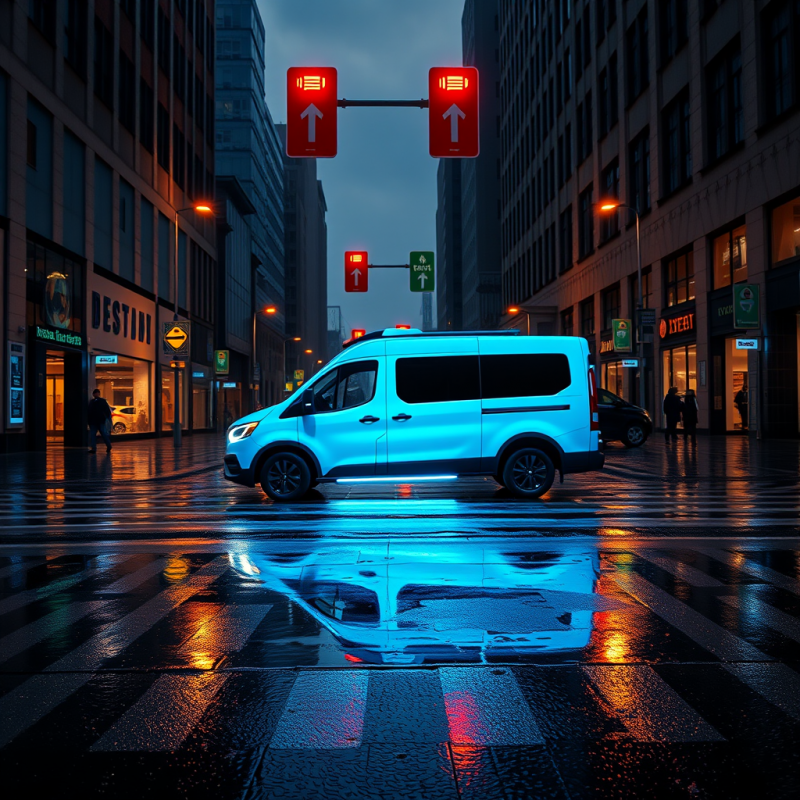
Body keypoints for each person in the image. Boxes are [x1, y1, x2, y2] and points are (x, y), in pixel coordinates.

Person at [88, 389, 112, 453]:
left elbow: (89, 412)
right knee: (103, 434)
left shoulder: (92, 402)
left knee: (93, 435)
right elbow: (107, 411)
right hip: (100, 421)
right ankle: (108, 445)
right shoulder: (102, 401)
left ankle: (94, 448)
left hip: (94, 421)